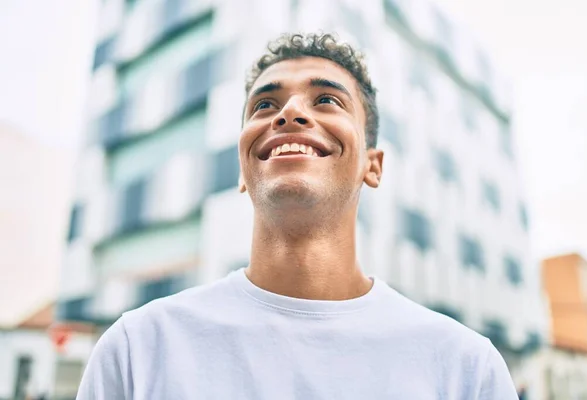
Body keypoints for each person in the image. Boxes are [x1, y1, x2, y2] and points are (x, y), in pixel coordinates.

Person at [77, 32, 518, 399]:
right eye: (264, 105)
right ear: (243, 169)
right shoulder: (138, 349)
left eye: (326, 99)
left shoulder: (465, 368)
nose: (289, 112)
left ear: (373, 164)